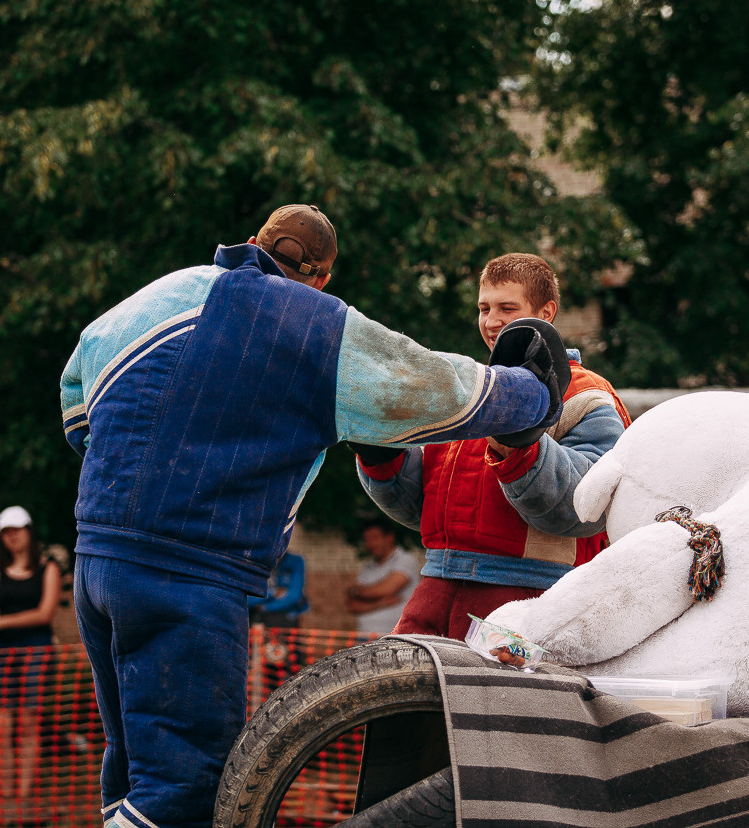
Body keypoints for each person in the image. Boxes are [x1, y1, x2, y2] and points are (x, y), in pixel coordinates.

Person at [59, 204, 568, 828]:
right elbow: (434, 385)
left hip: (96, 564)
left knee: (130, 765)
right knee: (186, 786)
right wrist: (531, 391)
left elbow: (76, 408)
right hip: (190, 577)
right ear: (322, 278)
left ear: (250, 241)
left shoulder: (153, 298)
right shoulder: (311, 325)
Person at [355, 252, 631, 640]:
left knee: (500, 703)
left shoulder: (588, 395)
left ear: (546, 311)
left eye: (507, 307)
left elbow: (588, 507)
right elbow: (426, 506)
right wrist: (380, 454)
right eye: (484, 308)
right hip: (436, 585)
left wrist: (521, 448)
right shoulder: (469, 390)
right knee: (404, 699)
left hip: (530, 598)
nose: (491, 320)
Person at [0, 506, 61, 807]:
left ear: (29, 531)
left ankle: (24, 795)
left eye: (17, 530)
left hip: (36, 651)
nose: (12, 536)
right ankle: (5, 795)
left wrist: (3, 623)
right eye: (6, 532)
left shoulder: (48, 568)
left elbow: (45, 613)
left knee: (28, 723)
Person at [346, 517, 422, 635]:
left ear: (389, 537)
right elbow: (352, 606)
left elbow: (387, 589)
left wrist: (356, 591)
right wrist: (380, 603)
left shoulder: (405, 560)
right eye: (367, 539)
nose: (371, 543)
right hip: (364, 638)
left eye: (375, 538)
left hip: (395, 639)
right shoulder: (366, 568)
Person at [248, 551, 309, 628]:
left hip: (283, 616)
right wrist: (273, 593)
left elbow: (293, 596)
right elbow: (247, 599)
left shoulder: (294, 561)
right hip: (254, 615)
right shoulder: (254, 562)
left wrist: (264, 606)